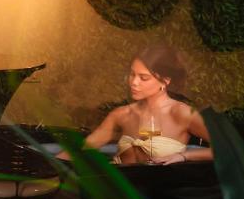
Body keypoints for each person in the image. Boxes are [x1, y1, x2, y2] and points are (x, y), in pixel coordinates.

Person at [61, 45, 212, 165]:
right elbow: (83, 148)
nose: (134, 82)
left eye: (143, 78)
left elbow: (226, 151)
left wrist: (183, 156)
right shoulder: (121, 114)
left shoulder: (180, 113)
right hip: (121, 193)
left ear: (165, 81)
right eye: (132, 74)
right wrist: (47, 165)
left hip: (162, 194)